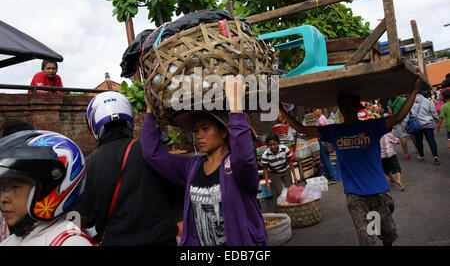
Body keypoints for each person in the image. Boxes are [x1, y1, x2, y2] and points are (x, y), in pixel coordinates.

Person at [279, 69, 423, 246]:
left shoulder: (373, 126)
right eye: (343, 106)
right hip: (355, 195)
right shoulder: (334, 131)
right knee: (367, 240)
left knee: (388, 234)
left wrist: (415, 90)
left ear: (357, 109)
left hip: (378, 191)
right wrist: (281, 110)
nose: (346, 110)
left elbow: (399, 116)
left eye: (349, 106)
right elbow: (301, 129)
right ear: (340, 109)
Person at [141, 75, 267, 246]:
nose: (198, 135)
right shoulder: (191, 167)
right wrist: (150, 111)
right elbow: (152, 154)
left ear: (224, 132)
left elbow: (243, 157)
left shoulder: (237, 168)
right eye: (195, 130)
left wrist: (236, 108)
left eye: (205, 128)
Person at [76, 91, 178, 246]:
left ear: (93, 123)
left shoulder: (87, 166)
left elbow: (86, 218)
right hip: (163, 240)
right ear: (129, 118)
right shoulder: (151, 152)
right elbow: (175, 194)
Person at [0, 130, 92, 246]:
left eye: (16, 186)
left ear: (49, 188)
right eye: (3, 188)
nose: (3, 199)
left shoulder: (71, 243)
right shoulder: (10, 241)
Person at [402, 92, 440, 165]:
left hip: (416, 124)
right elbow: (433, 111)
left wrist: (404, 125)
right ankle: (435, 157)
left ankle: (421, 156)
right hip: (428, 123)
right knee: (431, 140)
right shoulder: (426, 100)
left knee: (418, 141)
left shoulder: (410, 102)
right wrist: (437, 120)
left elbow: (406, 115)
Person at [313, 108, 340, 185]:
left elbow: (322, 130)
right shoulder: (322, 117)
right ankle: (331, 177)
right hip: (324, 140)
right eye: (314, 111)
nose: (314, 112)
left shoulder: (321, 119)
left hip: (323, 141)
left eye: (315, 110)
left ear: (320, 110)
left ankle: (332, 178)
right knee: (325, 159)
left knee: (325, 160)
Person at [388, 96, 415, 160]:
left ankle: (406, 154)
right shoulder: (404, 99)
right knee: (412, 134)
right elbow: (410, 108)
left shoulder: (390, 101)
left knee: (402, 137)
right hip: (407, 118)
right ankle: (417, 149)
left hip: (398, 120)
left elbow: (390, 112)